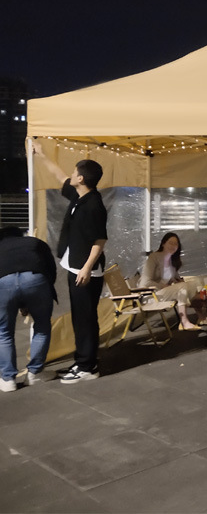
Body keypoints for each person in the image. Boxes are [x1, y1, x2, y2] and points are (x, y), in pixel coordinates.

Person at [33, 142, 108, 383]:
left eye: (75, 172)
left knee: (85, 319)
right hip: (76, 266)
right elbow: (59, 175)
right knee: (80, 318)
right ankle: (84, 361)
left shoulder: (94, 205)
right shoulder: (80, 196)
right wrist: (41, 154)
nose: (71, 175)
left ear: (82, 178)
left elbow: (99, 240)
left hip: (85, 271)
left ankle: (87, 367)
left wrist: (86, 268)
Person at [0, 226, 57, 391]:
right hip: (36, 279)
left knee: (3, 332)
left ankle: (8, 379)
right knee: (42, 326)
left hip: (3, 281)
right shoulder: (35, 243)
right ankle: (34, 374)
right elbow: (50, 269)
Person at [139, 232, 200, 329]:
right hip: (151, 295)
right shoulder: (153, 257)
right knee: (182, 287)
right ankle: (184, 322)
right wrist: (164, 286)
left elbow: (176, 279)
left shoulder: (171, 260)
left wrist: (178, 282)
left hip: (164, 292)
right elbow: (145, 282)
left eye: (176, 244)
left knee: (193, 283)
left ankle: (203, 316)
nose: (173, 246)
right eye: (170, 243)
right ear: (163, 243)